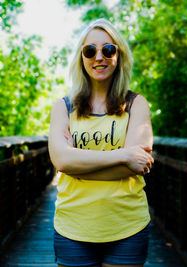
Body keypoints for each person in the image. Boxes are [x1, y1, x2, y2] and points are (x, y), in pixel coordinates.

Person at [48, 18, 154, 267]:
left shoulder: (136, 104)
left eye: (108, 49)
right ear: (81, 57)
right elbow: (62, 161)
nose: (99, 57)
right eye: (90, 50)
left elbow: (136, 166)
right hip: (72, 227)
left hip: (128, 227)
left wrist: (80, 163)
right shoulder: (63, 107)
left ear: (119, 55)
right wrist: (124, 155)